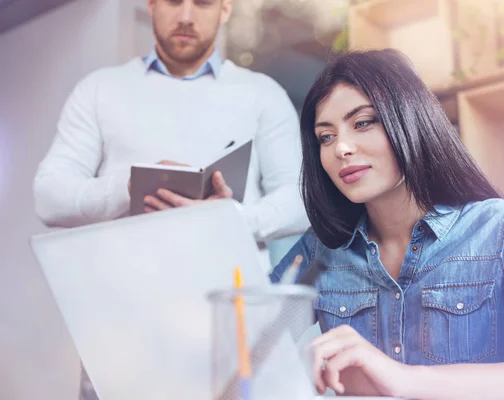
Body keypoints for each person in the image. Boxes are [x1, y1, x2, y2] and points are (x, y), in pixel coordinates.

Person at [270, 49, 504, 399]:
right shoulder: (320, 250)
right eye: (326, 136)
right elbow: (249, 345)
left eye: (362, 122)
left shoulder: (501, 228)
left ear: (408, 118)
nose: (341, 148)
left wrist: (402, 379)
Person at [33, 0, 308, 398]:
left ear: (226, 9)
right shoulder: (99, 90)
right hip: (122, 325)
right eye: (173, 1)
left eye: (203, 3)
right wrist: (124, 188)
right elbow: (48, 197)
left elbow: (300, 201)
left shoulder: (262, 94)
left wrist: (229, 218)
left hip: (228, 326)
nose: (185, 16)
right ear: (151, 4)